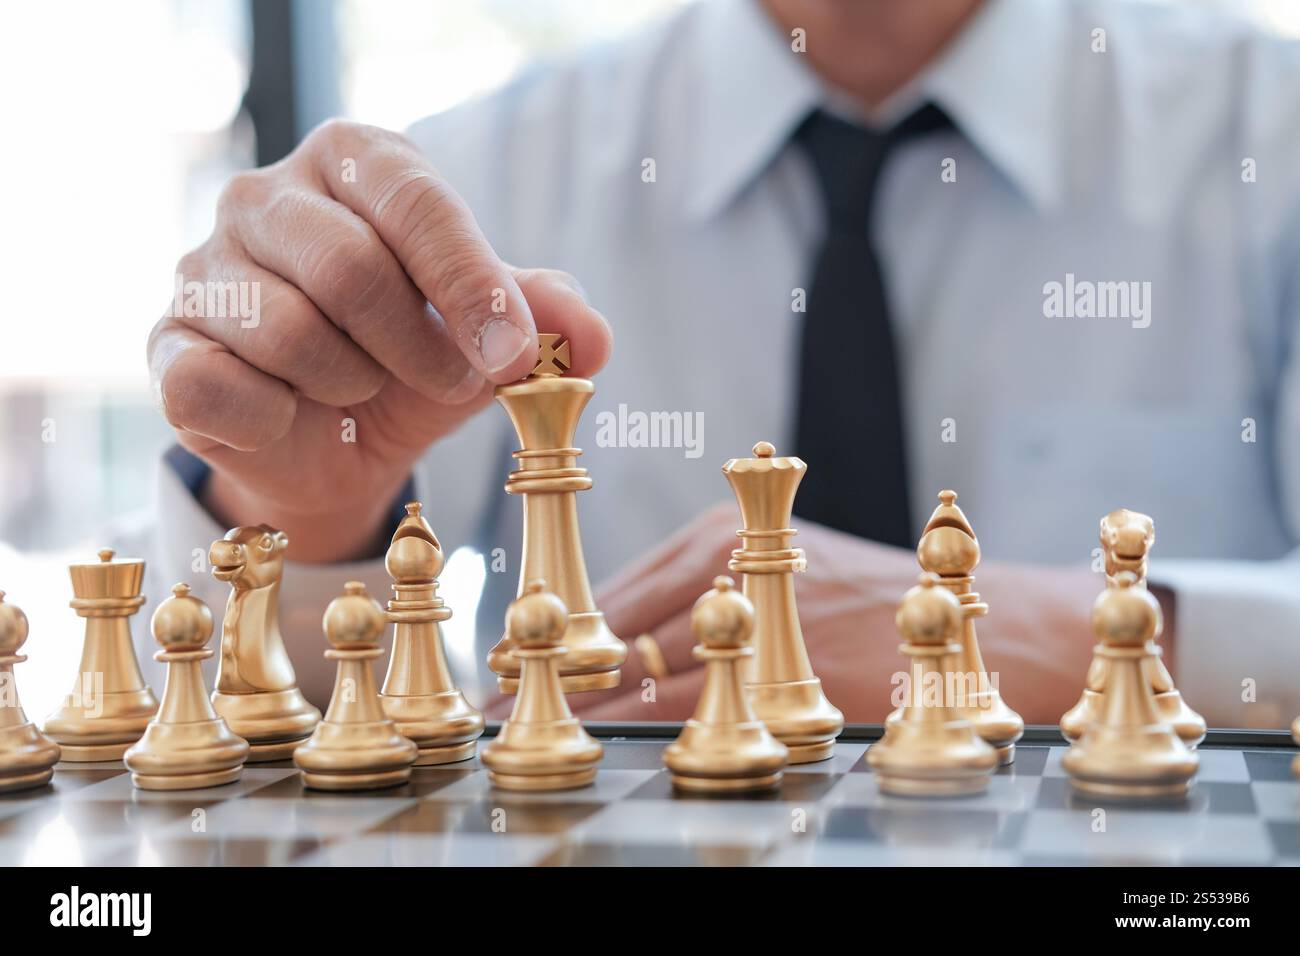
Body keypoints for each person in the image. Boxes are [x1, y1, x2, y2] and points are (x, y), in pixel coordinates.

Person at [136, 0, 1300, 728]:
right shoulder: (480, 174)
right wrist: (302, 525)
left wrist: (1042, 634)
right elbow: (223, 750)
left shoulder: (1270, 140)